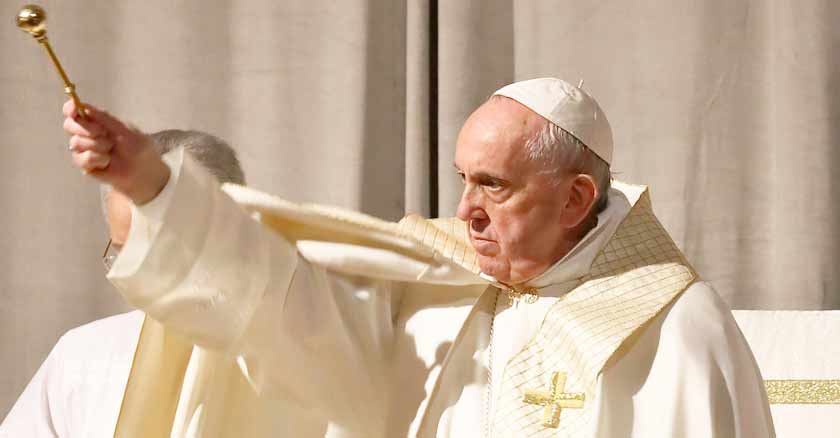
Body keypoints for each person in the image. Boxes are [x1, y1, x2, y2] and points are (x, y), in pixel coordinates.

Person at [53, 78, 774, 437]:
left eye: (493, 186)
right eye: (463, 179)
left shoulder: (673, 323)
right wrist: (151, 186)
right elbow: (279, 304)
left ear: (576, 197)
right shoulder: (433, 276)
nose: (464, 212)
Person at [0, 130, 259, 437]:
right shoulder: (82, 357)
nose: (140, 277)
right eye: (125, 252)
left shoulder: (303, 362)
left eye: (162, 251)